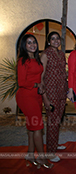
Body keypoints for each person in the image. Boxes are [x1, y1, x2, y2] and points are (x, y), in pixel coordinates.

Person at [16, 34, 53, 169]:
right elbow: (22, 82)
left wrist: (41, 88)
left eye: (34, 42)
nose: (32, 45)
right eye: (29, 43)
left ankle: (31, 154)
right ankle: (42, 158)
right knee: (38, 126)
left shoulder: (36, 59)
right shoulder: (22, 61)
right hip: (26, 96)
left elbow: (39, 77)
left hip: (36, 96)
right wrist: (37, 85)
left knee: (32, 127)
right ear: (24, 46)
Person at [41, 31, 68, 162]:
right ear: (48, 41)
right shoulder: (45, 55)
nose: (56, 41)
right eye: (53, 39)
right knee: (52, 122)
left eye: (58, 38)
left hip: (61, 92)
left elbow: (63, 72)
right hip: (51, 92)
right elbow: (41, 76)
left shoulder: (62, 54)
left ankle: (55, 144)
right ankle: (50, 153)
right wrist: (45, 97)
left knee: (57, 121)